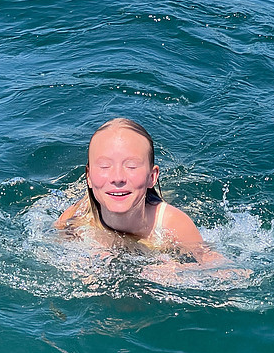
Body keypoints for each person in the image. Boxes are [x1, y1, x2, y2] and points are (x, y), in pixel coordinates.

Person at [55, 118, 250, 280]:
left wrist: (180, 271)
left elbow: (228, 271)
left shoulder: (172, 224)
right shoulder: (77, 215)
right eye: (104, 167)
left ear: (152, 176)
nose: (117, 177)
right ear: (88, 176)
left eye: (131, 166)